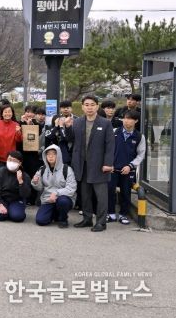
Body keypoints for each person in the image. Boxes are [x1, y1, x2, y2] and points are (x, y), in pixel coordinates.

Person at [65, 95, 115, 232]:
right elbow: (70, 139)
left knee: (101, 196)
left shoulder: (105, 123)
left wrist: (108, 163)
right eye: (86, 105)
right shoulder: (78, 122)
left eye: (92, 104)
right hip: (82, 165)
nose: (89, 107)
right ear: (82, 107)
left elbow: (110, 145)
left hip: (100, 165)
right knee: (85, 194)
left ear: (97, 106)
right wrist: (68, 127)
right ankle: (87, 219)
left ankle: (101, 222)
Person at [108, 110, 146, 225]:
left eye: (130, 119)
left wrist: (130, 166)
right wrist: (109, 164)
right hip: (112, 168)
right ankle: (110, 213)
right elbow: (107, 149)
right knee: (110, 191)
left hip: (128, 170)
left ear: (136, 121)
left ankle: (123, 214)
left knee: (126, 192)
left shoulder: (139, 136)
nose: (126, 121)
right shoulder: (114, 131)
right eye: (125, 118)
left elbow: (141, 155)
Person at [32, 145, 77, 227]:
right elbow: (39, 188)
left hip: (63, 198)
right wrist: (35, 182)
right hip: (48, 199)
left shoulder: (67, 169)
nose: (51, 156)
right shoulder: (42, 169)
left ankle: (63, 219)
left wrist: (56, 193)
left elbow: (71, 188)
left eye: (54, 154)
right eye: (48, 154)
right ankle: (55, 214)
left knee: (63, 201)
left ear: (58, 155)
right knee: (41, 220)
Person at [0, 151, 30, 222]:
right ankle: (6, 209)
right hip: (1, 199)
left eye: (14, 160)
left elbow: (25, 194)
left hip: (16, 200)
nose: (11, 162)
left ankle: (12, 210)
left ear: (20, 163)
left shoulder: (24, 176)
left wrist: (20, 181)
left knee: (17, 217)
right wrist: (0, 204)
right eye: (10, 159)